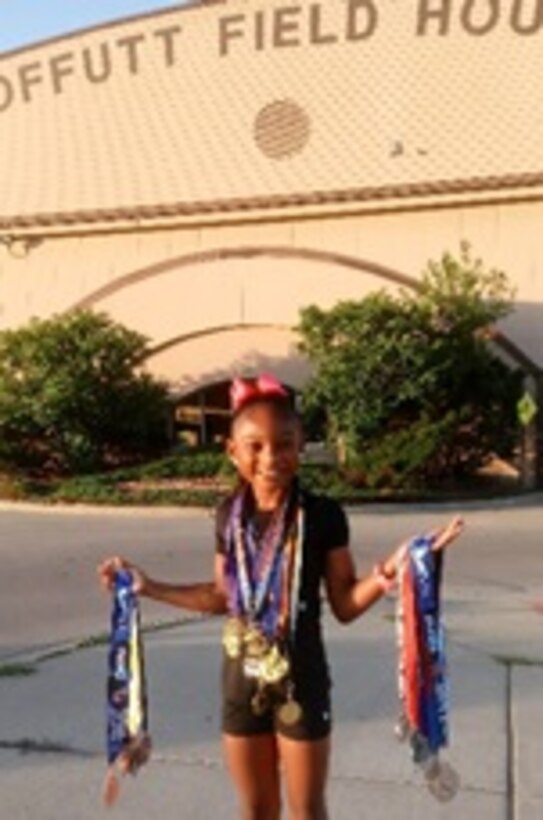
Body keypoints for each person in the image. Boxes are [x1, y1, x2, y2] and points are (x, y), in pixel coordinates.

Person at [98, 374, 464, 820]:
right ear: (233, 452)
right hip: (240, 679)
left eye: (284, 443)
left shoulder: (324, 516)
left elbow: (346, 604)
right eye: (255, 445)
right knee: (255, 809)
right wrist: (148, 585)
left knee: (307, 810)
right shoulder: (227, 517)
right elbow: (222, 596)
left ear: (301, 445)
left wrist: (395, 567)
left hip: (301, 680)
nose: (271, 456)